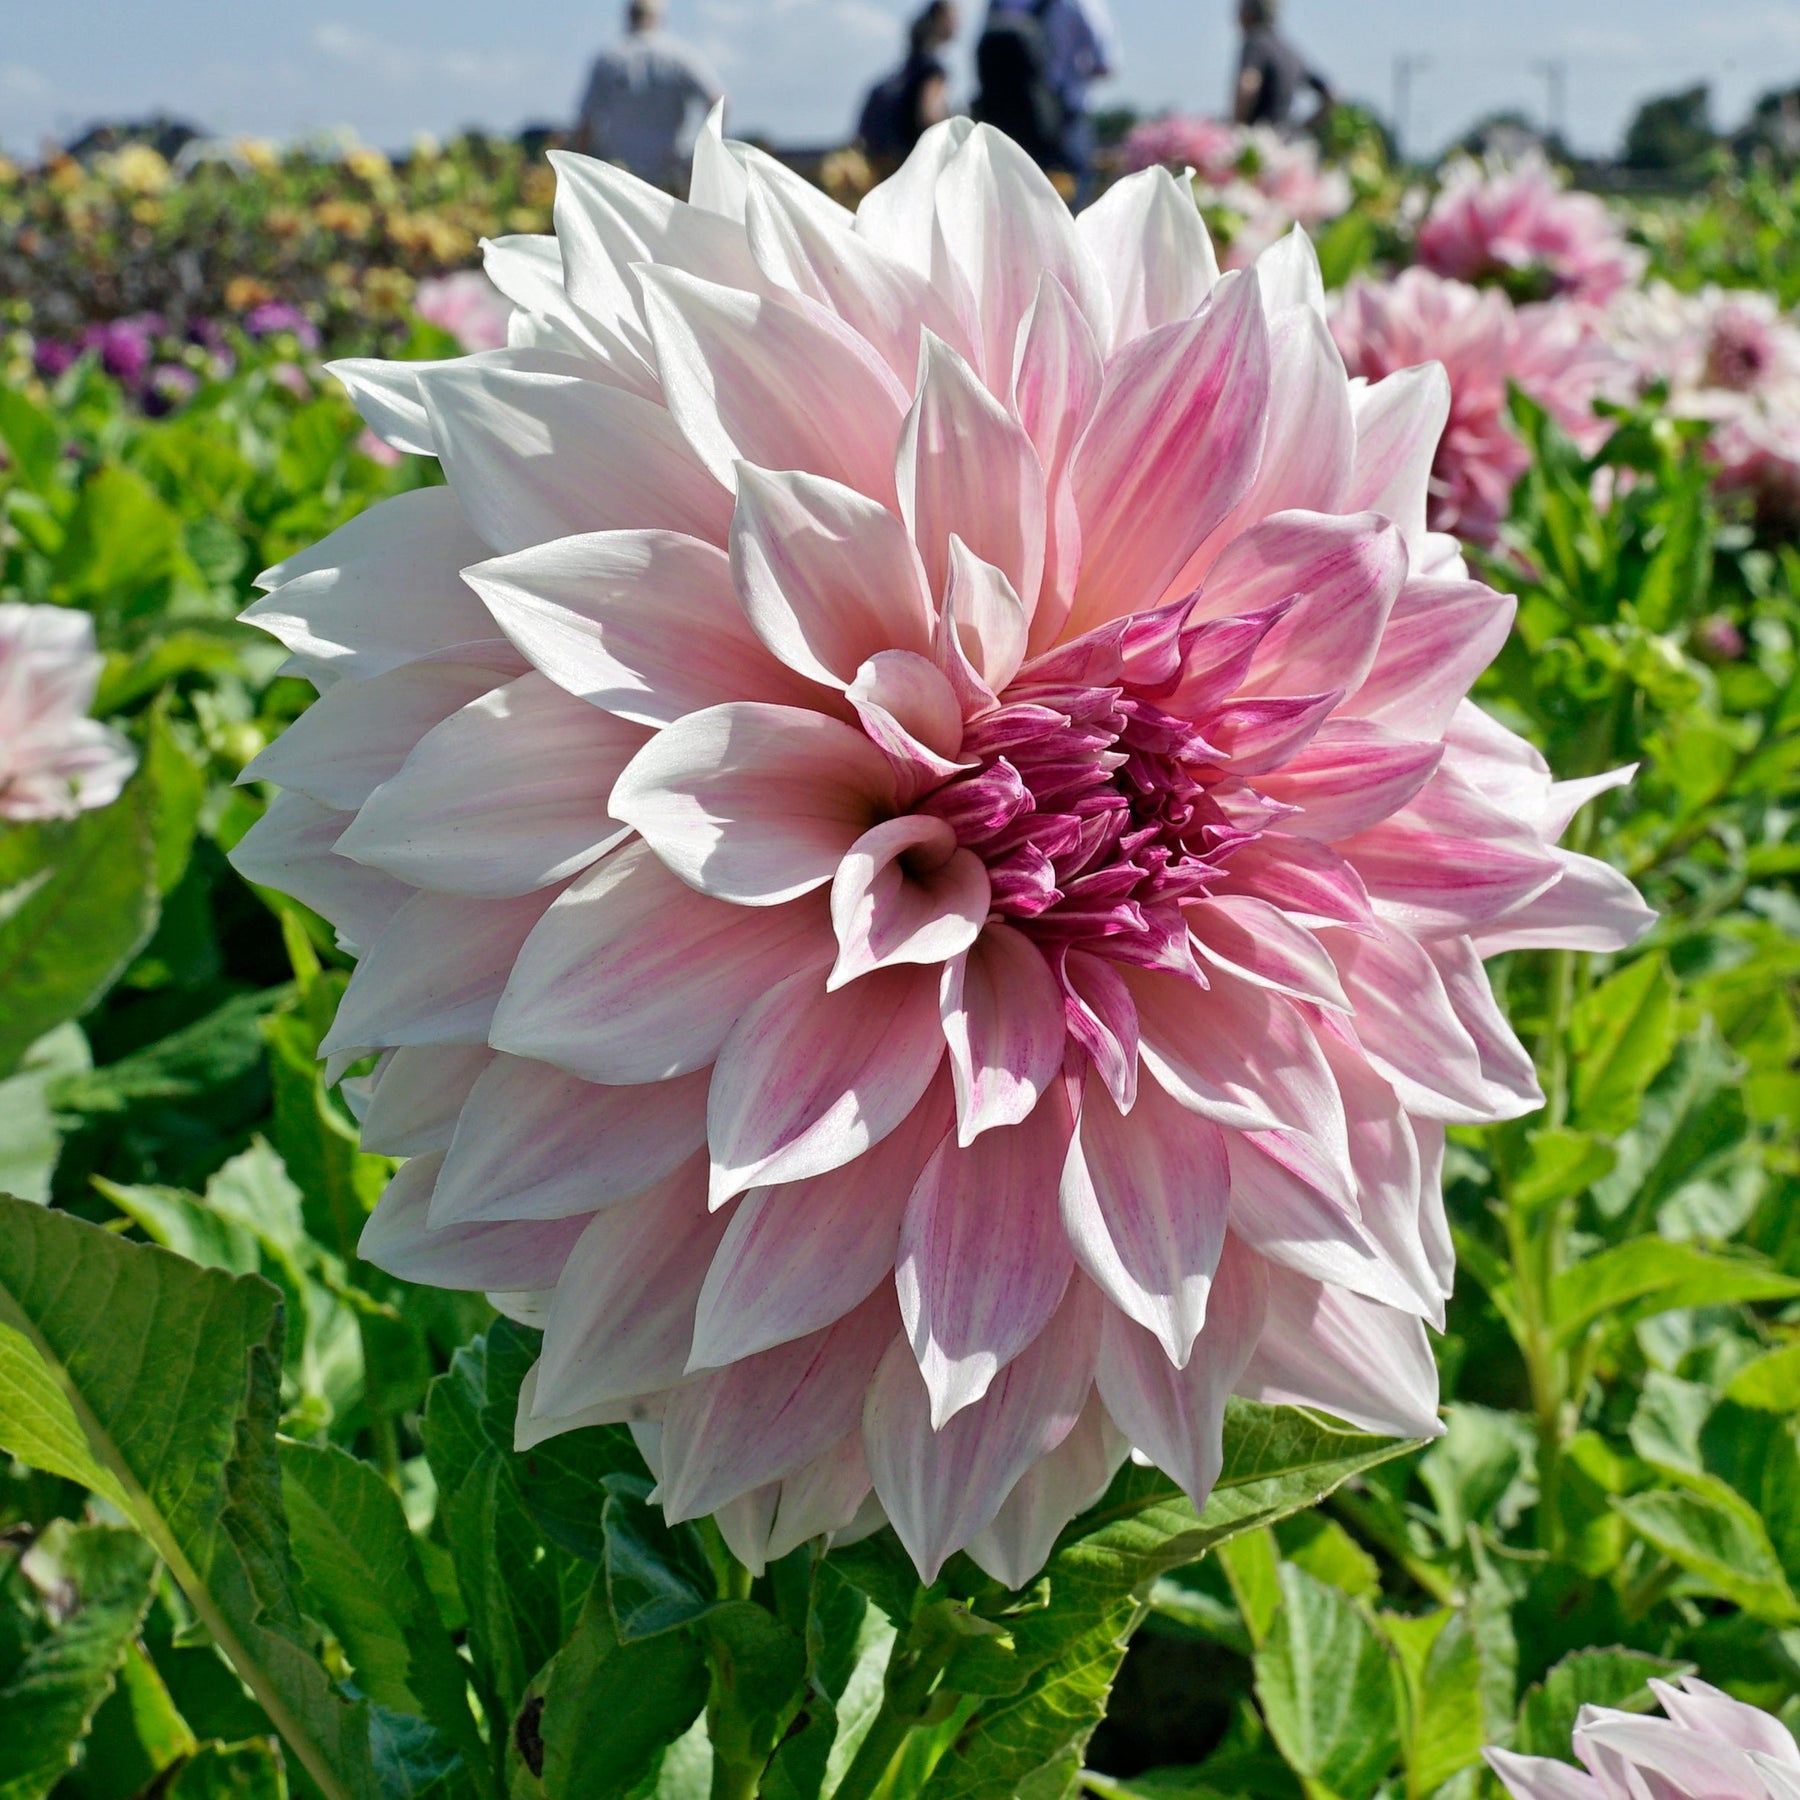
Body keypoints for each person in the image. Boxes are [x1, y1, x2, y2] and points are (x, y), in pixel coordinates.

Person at [572, 0, 725, 191]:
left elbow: (586, 121)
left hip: (619, 174)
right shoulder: (680, 55)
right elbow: (717, 99)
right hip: (670, 170)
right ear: (658, 16)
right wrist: (708, 153)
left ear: (629, 15)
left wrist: (576, 174)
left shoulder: (608, 58)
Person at [974, 0, 1116, 193]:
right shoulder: (1079, 4)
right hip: (1065, 119)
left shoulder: (999, 3)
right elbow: (1105, 63)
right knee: (1070, 204)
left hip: (1005, 122)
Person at [857, 3, 959, 172]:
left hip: (879, 158)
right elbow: (930, 115)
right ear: (940, 20)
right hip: (908, 161)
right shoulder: (932, 70)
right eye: (954, 18)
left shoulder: (908, 67)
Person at [1233, 0, 1333, 134]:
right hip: (1288, 139)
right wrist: (1304, 127)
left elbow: (1248, 83)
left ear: (1248, 13)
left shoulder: (1255, 42)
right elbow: (1331, 96)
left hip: (1261, 138)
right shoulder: (1288, 51)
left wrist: (1237, 126)